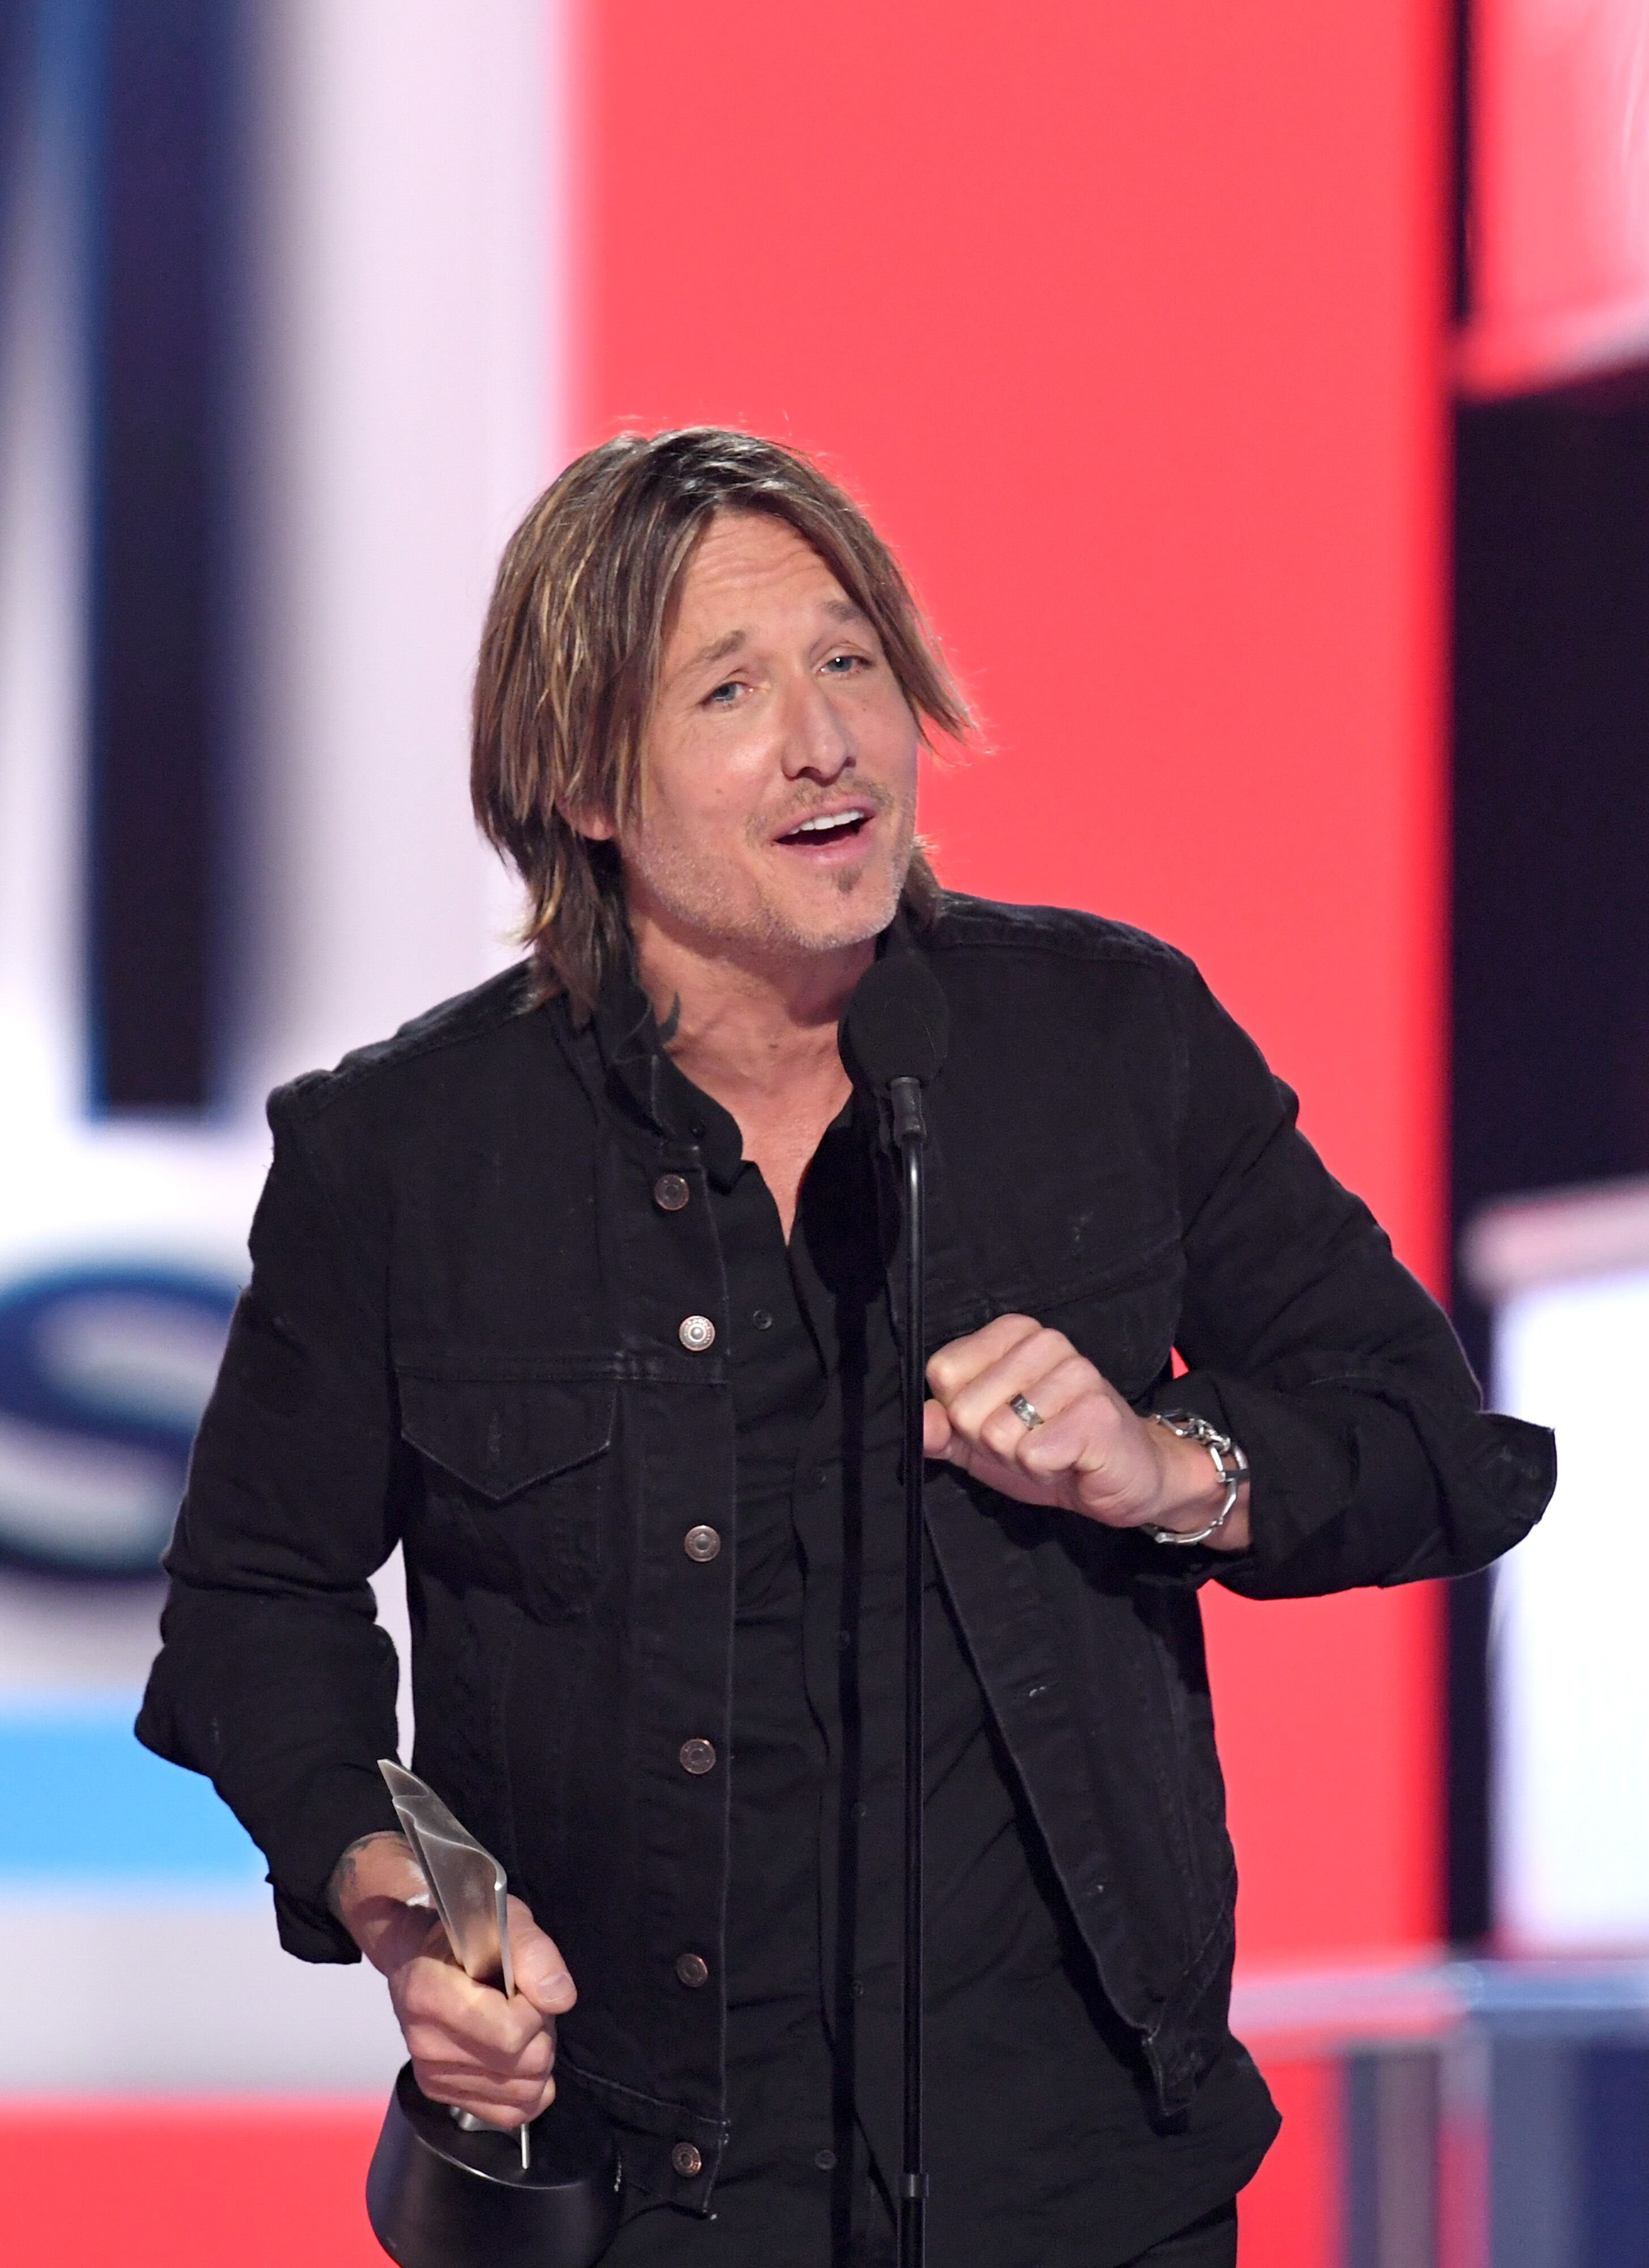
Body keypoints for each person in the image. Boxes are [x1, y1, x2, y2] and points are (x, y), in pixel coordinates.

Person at [137, 428, 1554, 2268]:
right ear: (580, 776)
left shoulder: (1106, 1047)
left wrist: (1167, 1468)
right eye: (731, 687)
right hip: (652, 2191)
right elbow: (255, 1599)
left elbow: (1442, 1448)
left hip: (1080, 2184)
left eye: (850, 661)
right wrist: (394, 1901)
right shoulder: (401, 1158)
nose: (825, 740)